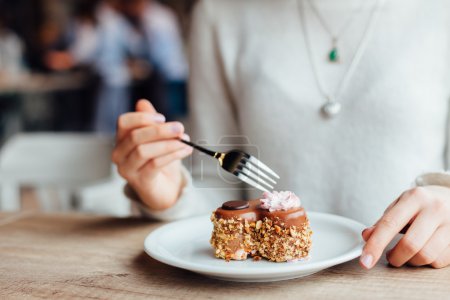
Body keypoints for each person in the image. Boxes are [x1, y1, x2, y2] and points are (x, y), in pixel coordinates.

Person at [112, 0, 450, 270]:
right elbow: (219, 195)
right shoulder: (220, 13)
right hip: (260, 287)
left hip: (406, 276)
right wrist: (169, 192)